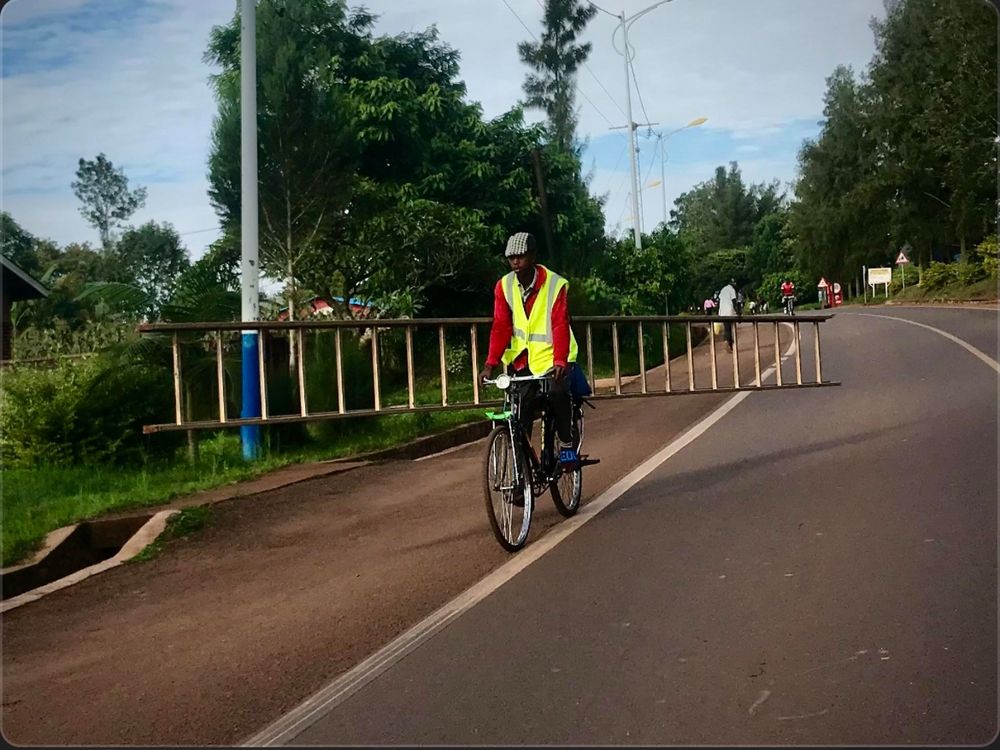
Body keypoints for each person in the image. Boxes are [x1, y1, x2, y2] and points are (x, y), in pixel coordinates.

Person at [483, 232, 580, 469]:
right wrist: (490, 363)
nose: (515, 262)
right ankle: (521, 472)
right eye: (511, 258)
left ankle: (567, 445)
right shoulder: (504, 286)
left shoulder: (554, 284)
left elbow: (559, 323)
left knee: (557, 394)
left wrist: (560, 360)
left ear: (532, 256)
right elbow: (501, 326)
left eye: (521, 257)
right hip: (521, 360)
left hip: (553, 356)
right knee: (519, 408)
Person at [717, 278, 738, 351]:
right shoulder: (732, 290)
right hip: (729, 310)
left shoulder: (723, 289)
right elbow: (734, 301)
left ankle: (727, 341)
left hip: (722, 311)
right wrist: (738, 311)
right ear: (732, 284)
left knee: (726, 328)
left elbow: (719, 300)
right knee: (730, 328)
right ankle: (729, 343)